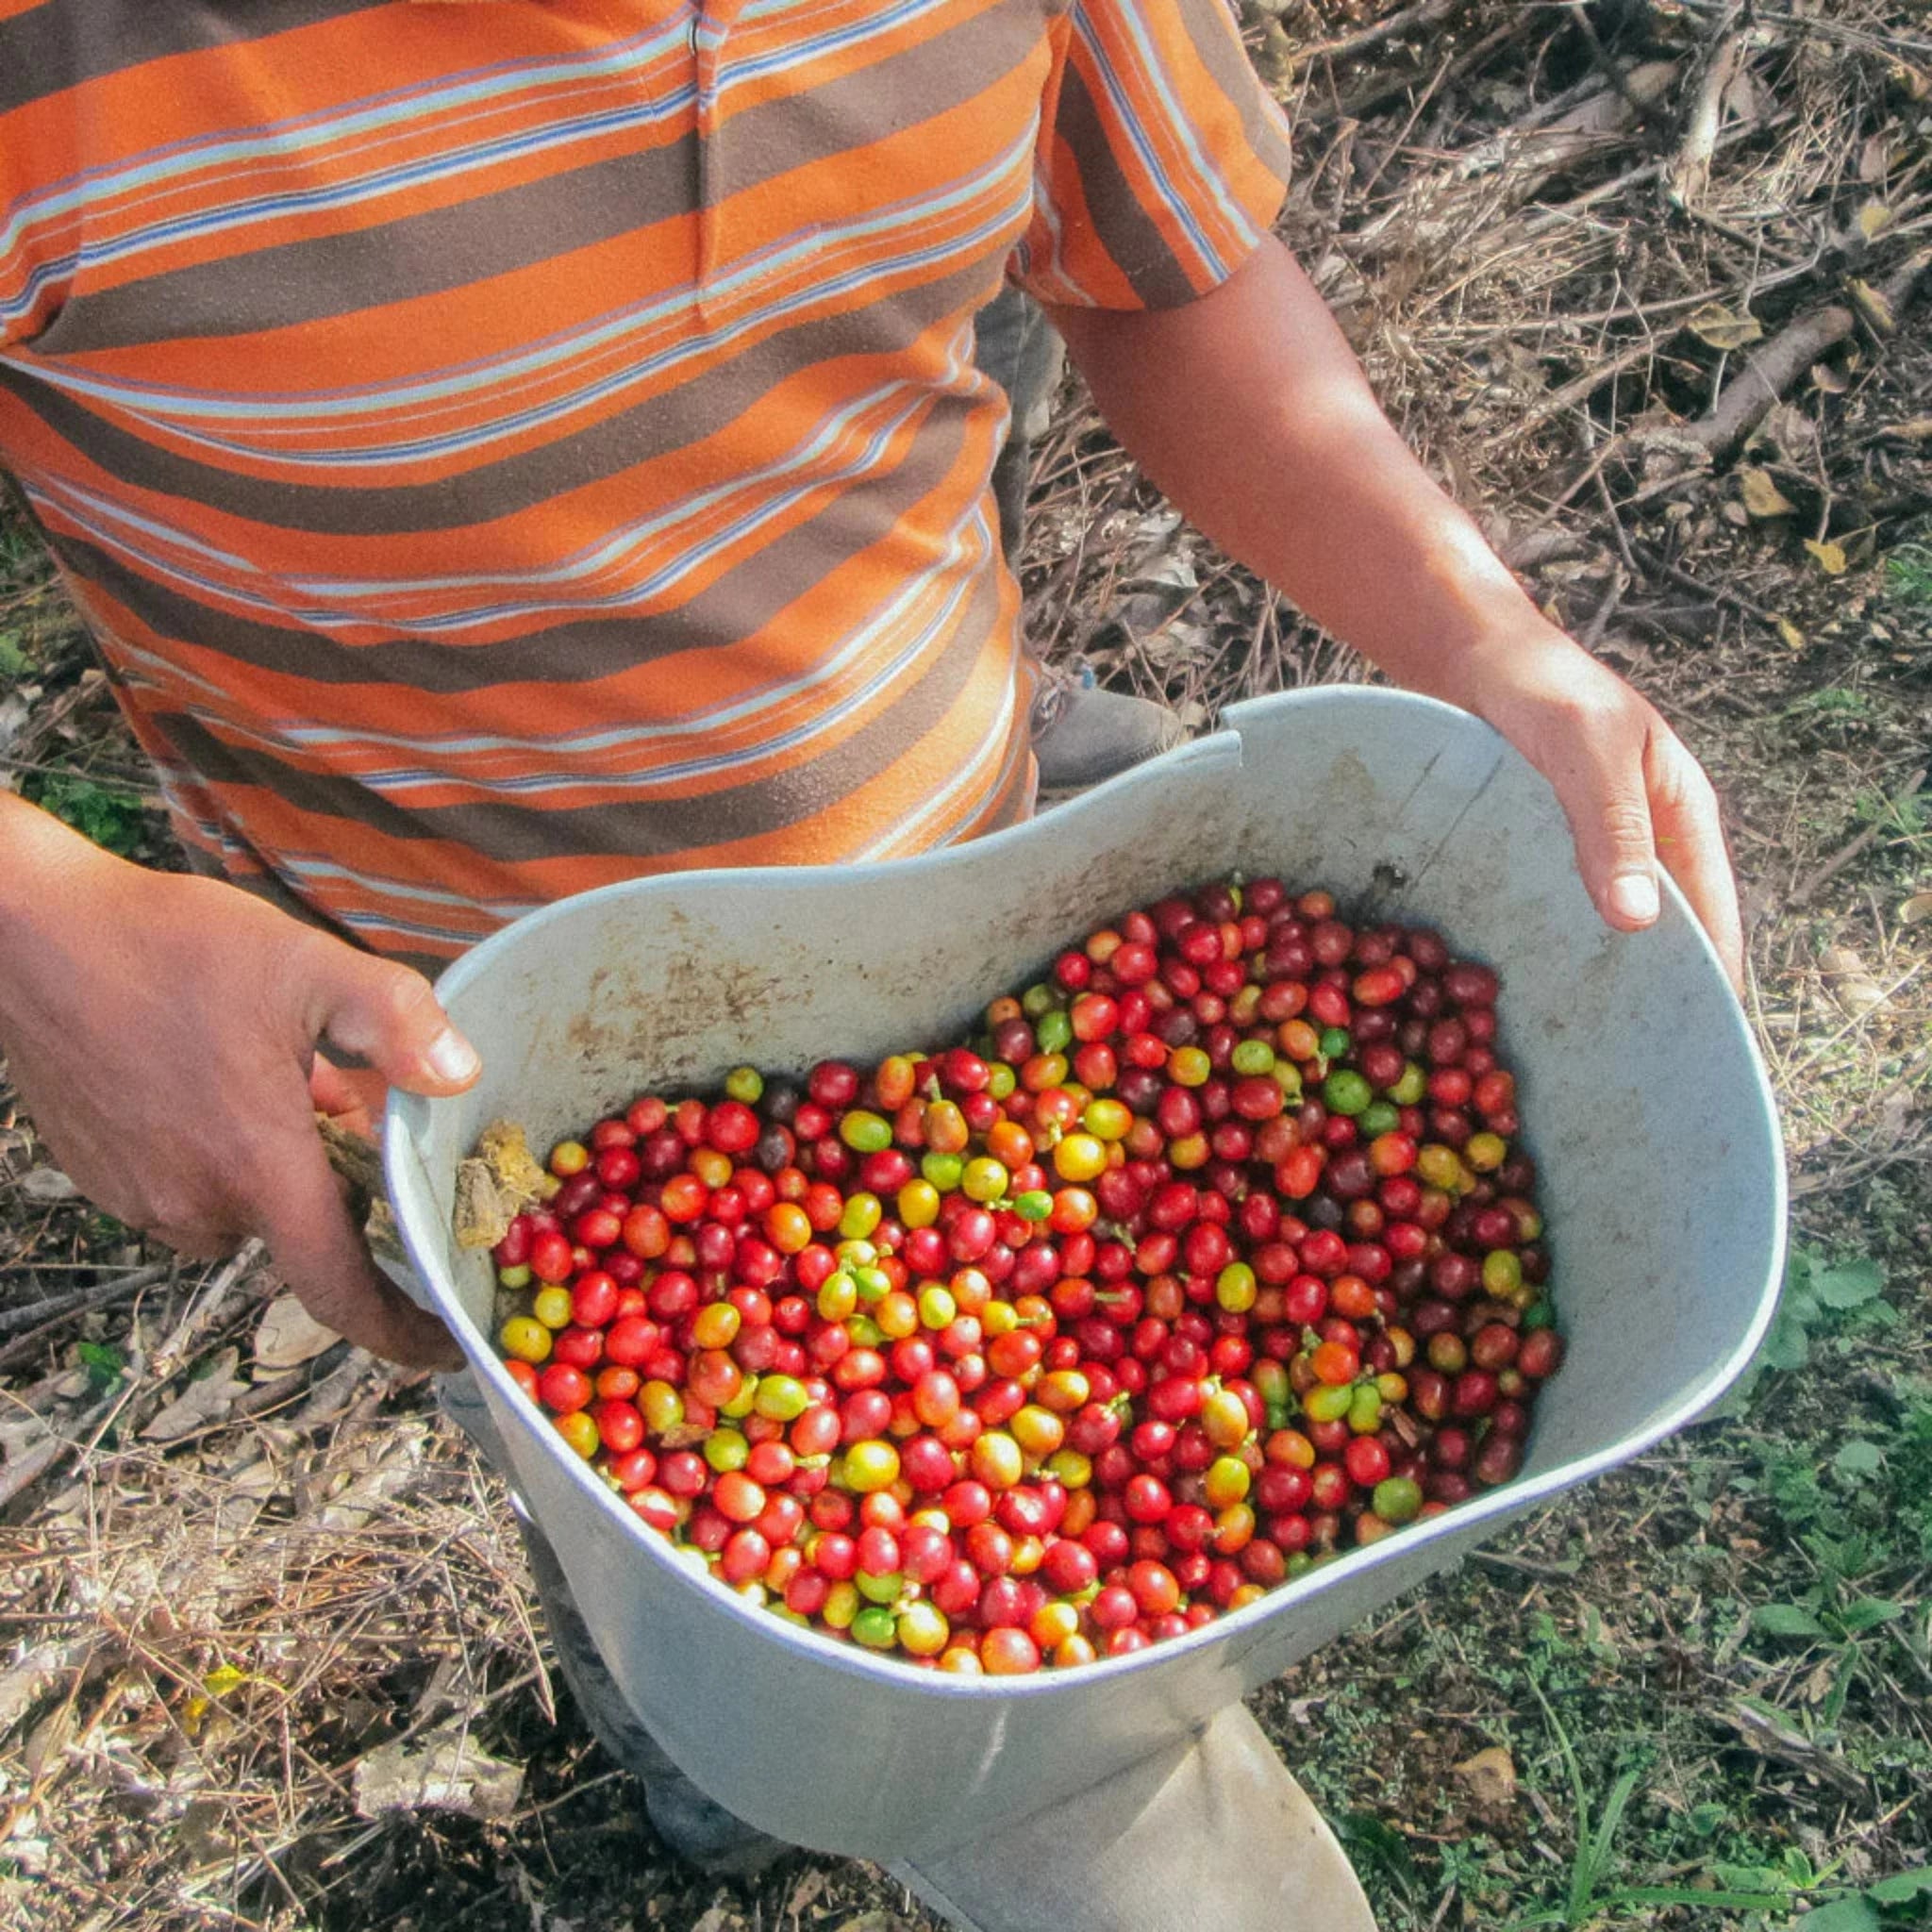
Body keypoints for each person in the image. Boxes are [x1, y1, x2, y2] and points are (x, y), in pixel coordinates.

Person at [0, 2, 1744, 1924]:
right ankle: (711, 1748)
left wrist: (1473, 621)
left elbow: (1159, 269)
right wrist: (34, 918)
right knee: (666, 1565)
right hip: (471, 1072)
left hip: (979, 908)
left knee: (1013, 1729)